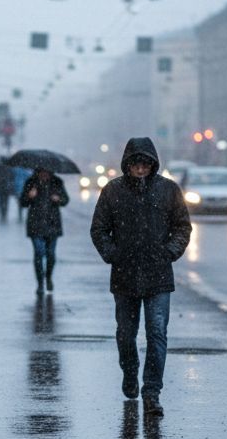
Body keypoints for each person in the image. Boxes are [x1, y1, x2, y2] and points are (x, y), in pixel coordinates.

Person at [90, 137, 192, 417]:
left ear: (152, 164)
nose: (140, 168)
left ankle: (152, 392)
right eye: (135, 162)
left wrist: (169, 252)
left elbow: (182, 226)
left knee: (157, 334)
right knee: (126, 334)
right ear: (128, 164)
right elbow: (98, 229)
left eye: (145, 163)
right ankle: (130, 371)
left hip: (158, 275)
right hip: (124, 276)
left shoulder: (168, 190)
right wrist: (113, 254)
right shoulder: (113, 191)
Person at [20, 166, 69, 293]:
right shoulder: (30, 182)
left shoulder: (57, 182)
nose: (44, 174)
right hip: (35, 224)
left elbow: (65, 200)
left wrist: (59, 199)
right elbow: (22, 202)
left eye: (46, 171)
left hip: (53, 224)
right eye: (41, 172)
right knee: (39, 253)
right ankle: (40, 283)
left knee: (51, 255)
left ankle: (48, 277)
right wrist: (29, 196)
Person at [0, 156, 17, 222]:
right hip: (6, 188)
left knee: (1, 201)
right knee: (6, 202)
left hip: (0, 187)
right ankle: (5, 214)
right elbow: (12, 178)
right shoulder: (9, 168)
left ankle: (2, 213)